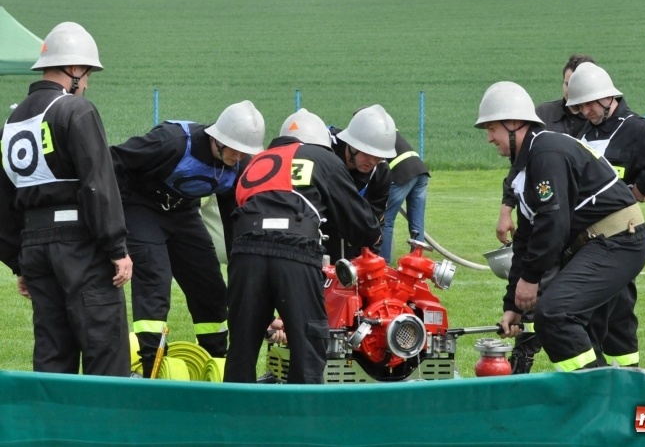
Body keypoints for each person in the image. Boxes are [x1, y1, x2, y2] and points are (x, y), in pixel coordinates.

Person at [475, 81, 645, 372]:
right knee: (576, 322)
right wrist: (513, 306)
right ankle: (599, 395)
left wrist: (530, 281)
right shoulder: (526, 163)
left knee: (555, 314)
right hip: (601, 243)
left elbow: (553, 223)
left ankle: (590, 397)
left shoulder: (546, 153)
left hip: (618, 242)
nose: (489, 138)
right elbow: (526, 240)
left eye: (492, 129)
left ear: (514, 123)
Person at [0, 21, 132, 376]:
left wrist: (19, 261)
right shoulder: (76, 111)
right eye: (87, 74)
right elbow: (97, 184)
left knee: (52, 349)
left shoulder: (10, 124)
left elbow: (3, 199)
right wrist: (116, 248)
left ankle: (50, 427)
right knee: (104, 345)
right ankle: (103, 430)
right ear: (74, 69)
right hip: (79, 246)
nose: (86, 83)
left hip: (35, 247)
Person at [224, 109, 382, 384]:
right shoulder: (323, 158)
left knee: (241, 346)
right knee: (309, 342)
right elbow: (362, 223)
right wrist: (373, 234)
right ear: (320, 141)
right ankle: (303, 417)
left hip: (246, 250)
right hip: (295, 251)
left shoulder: (254, 162)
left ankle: (236, 419)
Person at [110, 100, 265, 378]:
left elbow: (234, 219)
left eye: (246, 152)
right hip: (142, 208)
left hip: (183, 214)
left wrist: (239, 261)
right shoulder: (173, 142)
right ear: (219, 138)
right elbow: (115, 160)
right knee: (155, 281)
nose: (240, 157)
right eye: (237, 149)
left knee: (210, 285)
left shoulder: (239, 165)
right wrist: (119, 218)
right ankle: (151, 366)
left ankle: (216, 359)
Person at [566, 62, 645, 367]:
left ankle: (627, 375)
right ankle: (599, 377)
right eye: (580, 106)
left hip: (618, 238)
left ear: (607, 98)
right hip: (583, 240)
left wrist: (640, 187)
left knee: (618, 312)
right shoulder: (582, 132)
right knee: (591, 314)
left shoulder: (636, 129)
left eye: (588, 104)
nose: (585, 111)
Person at [496, 54, 595, 374]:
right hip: (553, 230)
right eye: (569, 83)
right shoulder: (539, 118)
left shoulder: (599, 120)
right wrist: (507, 207)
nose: (573, 91)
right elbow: (520, 175)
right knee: (542, 296)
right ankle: (523, 356)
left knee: (583, 312)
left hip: (590, 233)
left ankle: (600, 378)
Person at [326, 104, 396, 260]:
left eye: (378, 156)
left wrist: (370, 260)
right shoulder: (326, 152)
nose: (371, 161)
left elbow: (374, 222)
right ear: (352, 144)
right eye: (366, 153)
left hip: (351, 251)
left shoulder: (381, 173)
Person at [379, 131, 430, 263]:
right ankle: (417, 262)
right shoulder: (389, 128)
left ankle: (384, 263)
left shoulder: (372, 130)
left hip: (403, 173)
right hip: (420, 170)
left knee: (386, 220)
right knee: (417, 224)